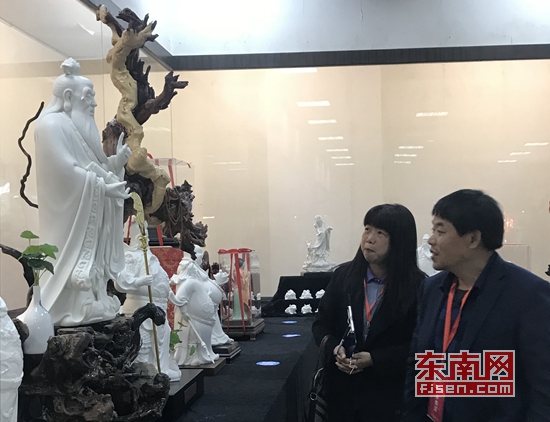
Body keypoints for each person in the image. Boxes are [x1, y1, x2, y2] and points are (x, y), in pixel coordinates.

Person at [402, 189, 550, 422]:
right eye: (433, 229)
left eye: (440, 231)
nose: (431, 240)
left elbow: (543, 388)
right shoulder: (432, 289)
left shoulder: (528, 295)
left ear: (472, 239)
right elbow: (418, 364)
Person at [34, 58, 131, 326]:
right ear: (68, 97)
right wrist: (102, 187)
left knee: (94, 260)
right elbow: (64, 171)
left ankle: (94, 296)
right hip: (67, 214)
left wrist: (115, 164)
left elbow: (92, 165)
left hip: (88, 204)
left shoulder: (74, 127)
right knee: (72, 260)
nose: (94, 104)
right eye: (88, 96)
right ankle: (72, 305)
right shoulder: (51, 125)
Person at [312, 204, 425, 422]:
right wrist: (335, 348)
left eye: (380, 233)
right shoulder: (343, 276)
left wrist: (375, 359)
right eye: (367, 229)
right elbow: (320, 325)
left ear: (400, 240)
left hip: (390, 398)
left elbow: (420, 346)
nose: (369, 239)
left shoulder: (419, 287)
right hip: (342, 395)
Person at [115, 220, 181, 382]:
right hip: (141, 307)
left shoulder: (150, 257)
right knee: (143, 345)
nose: (144, 235)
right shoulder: (131, 256)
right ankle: (143, 374)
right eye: (140, 230)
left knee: (159, 341)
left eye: (144, 230)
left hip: (158, 309)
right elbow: (121, 281)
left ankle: (160, 369)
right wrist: (140, 281)